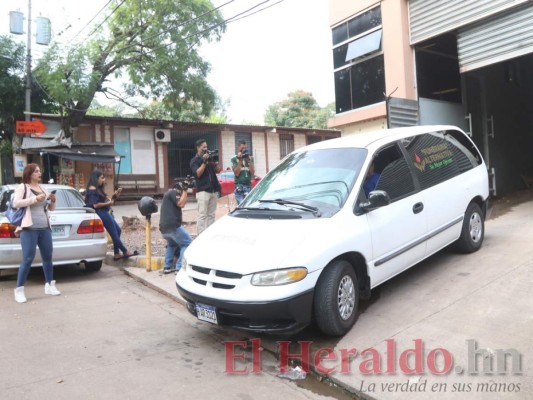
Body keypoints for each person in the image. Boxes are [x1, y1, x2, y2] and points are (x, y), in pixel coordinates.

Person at [13, 163, 60, 303]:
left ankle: (50, 285)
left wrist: (53, 201)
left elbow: (50, 209)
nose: (39, 173)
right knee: (27, 258)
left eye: (40, 171)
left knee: (48, 257)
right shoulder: (23, 187)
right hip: (29, 228)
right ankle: (19, 290)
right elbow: (16, 203)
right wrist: (34, 199)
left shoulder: (43, 188)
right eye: (36, 171)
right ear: (29, 174)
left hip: (44, 227)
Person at [85, 170, 138, 261]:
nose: (103, 179)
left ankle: (117, 253)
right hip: (100, 212)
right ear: (96, 178)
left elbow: (105, 200)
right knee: (114, 233)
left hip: (105, 211)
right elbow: (95, 205)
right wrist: (108, 203)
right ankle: (125, 251)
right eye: (101, 178)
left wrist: (114, 196)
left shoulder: (98, 188)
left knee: (118, 230)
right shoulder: (92, 189)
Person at [159, 184, 193, 274]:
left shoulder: (168, 195)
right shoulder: (174, 192)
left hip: (164, 228)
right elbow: (181, 203)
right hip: (173, 226)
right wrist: (185, 190)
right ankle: (179, 267)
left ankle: (167, 267)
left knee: (172, 245)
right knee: (187, 243)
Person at [190, 138, 221, 235]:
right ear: (198, 148)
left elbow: (219, 170)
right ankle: (201, 235)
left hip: (213, 190)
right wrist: (204, 162)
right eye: (204, 147)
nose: (206, 149)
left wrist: (214, 161)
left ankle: (210, 235)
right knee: (202, 215)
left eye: (206, 147)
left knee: (211, 215)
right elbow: (198, 174)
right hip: (203, 191)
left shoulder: (209, 158)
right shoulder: (194, 161)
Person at [231, 140, 255, 205]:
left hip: (248, 186)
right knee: (241, 206)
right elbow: (237, 173)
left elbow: (253, 173)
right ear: (238, 147)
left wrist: (249, 161)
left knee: (248, 206)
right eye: (242, 148)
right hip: (239, 186)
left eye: (245, 148)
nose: (244, 150)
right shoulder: (234, 158)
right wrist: (240, 160)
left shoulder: (250, 158)